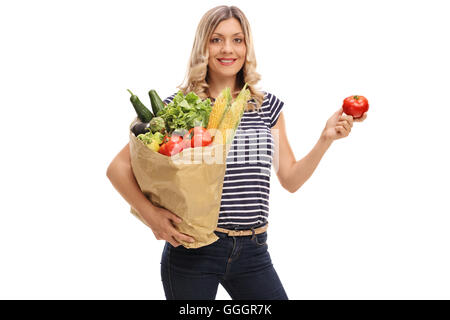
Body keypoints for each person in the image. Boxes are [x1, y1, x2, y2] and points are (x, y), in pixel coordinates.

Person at [106, 5, 367, 300]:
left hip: (253, 252)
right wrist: (151, 215)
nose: (227, 49)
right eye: (216, 39)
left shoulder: (266, 107)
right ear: (203, 46)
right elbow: (117, 167)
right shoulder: (179, 108)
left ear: (247, 46)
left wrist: (325, 139)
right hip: (194, 250)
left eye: (237, 40)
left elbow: (291, 180)